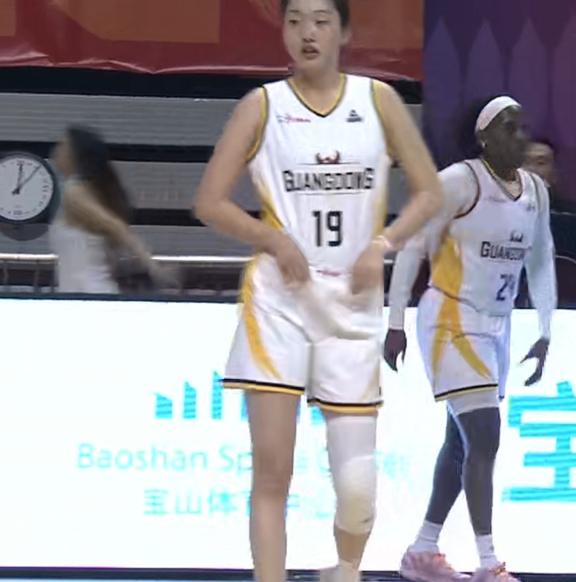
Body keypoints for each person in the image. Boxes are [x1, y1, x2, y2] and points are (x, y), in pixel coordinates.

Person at [192, 1, 445, 581]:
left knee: (358, 488)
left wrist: (383, 243)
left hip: (353, 304)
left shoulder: (377, 100)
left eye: (321, 20)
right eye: (295, 21)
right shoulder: (262, 106)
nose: (307, 33)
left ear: (344, 31)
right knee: (272, 472)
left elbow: (430, 193)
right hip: (280, 302)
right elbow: (209, 201)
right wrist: (271, 239)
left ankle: (344, 571)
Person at [385, 95, 556, 582]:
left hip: (496, 325)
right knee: (485, 435)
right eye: (508, 127)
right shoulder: (459, 181)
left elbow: (541, 259)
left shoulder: (535, 191)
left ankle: (422, 551)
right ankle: (488, 563)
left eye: (522, 127)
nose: (520, 137)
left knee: (460, 444)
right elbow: (413, 247)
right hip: (451, 319)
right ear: (483, 137)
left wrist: (545, 330)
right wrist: (395, 322)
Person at [49, 125, 168, 293]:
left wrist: (153, 267)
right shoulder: (87, 189)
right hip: (86, 292)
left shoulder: (74, 191)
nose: (56, 151)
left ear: (74, 154)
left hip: (87, 293)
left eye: (63, 145)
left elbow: (115, 226)